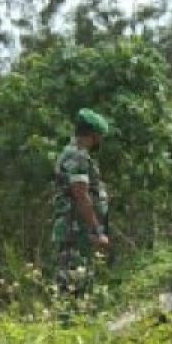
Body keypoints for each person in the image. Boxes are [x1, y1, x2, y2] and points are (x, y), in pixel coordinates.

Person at [52, 108, 111, 299]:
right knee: (73, 286)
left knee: (76, 283)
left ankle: (74, 322)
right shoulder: (77, 156)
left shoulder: (73, 153)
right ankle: (69, 324)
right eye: (99, 137)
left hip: (77, 231)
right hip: (76, 231)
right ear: (93, 135)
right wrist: (96, 229)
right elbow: (81, 195)